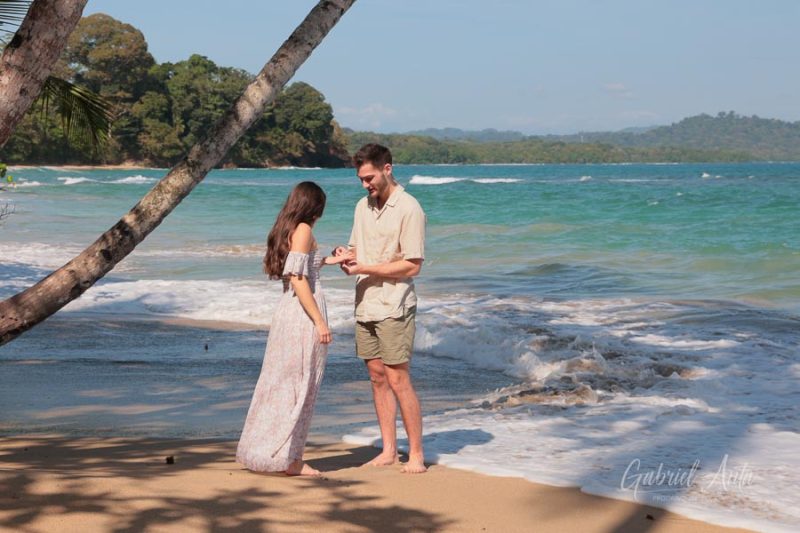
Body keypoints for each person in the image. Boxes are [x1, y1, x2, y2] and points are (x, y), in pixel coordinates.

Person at [237, 181, 353, 477]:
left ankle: (270, 452)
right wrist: (320, 321)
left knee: (282, 383)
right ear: (315, 206)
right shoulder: (303, 229)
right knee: (300, 385)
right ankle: (290, 459)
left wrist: (329, 260)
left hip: (289, 312)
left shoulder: (287, 228)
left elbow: (301, 268)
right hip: (302, 314)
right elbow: (299, 279)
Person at [335, 143, 428, 474]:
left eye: (369, 178)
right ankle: (388, 450)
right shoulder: (362, 206)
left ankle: (416, 454)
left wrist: (364, 268)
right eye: (361, 179)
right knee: (376, 377)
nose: (365, 185)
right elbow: (356, 248)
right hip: (366, 303)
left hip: (395, 304)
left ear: (387, 169)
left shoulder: (410, 208)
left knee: (398, 378)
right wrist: (344, 255)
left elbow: (413, 265)